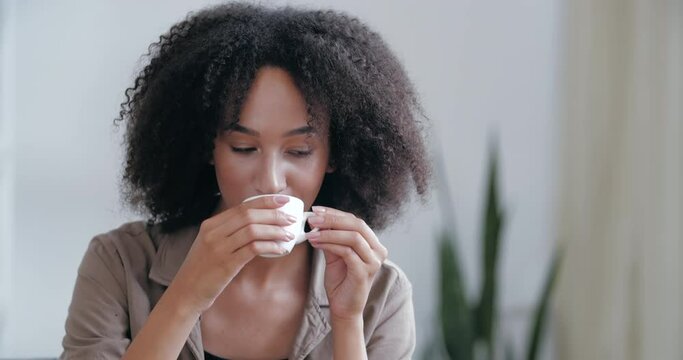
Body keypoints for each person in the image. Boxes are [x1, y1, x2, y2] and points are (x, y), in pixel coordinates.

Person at [60, 2, 431, 359]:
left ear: (335, 156)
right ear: (209, 147)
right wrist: (186, 295)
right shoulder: (119, 264)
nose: (270, 181)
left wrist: (348, 320)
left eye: (299, 151)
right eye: (242, 147)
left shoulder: (381, 294)